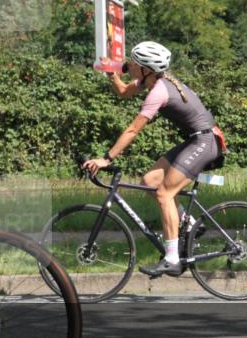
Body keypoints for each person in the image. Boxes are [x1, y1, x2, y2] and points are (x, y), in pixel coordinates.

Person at [82, 41, 223, 277]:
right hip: (195, 140)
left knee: (164, 193)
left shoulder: (158, 91)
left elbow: (133, 130)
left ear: (145, 68)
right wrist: (112, 74)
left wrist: (107, 158)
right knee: (149, 181)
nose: (130, 63)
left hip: (205, 142)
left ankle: (171, 259)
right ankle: (188, 224)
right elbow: (125, 92)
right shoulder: (150, 80)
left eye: (134, 62)